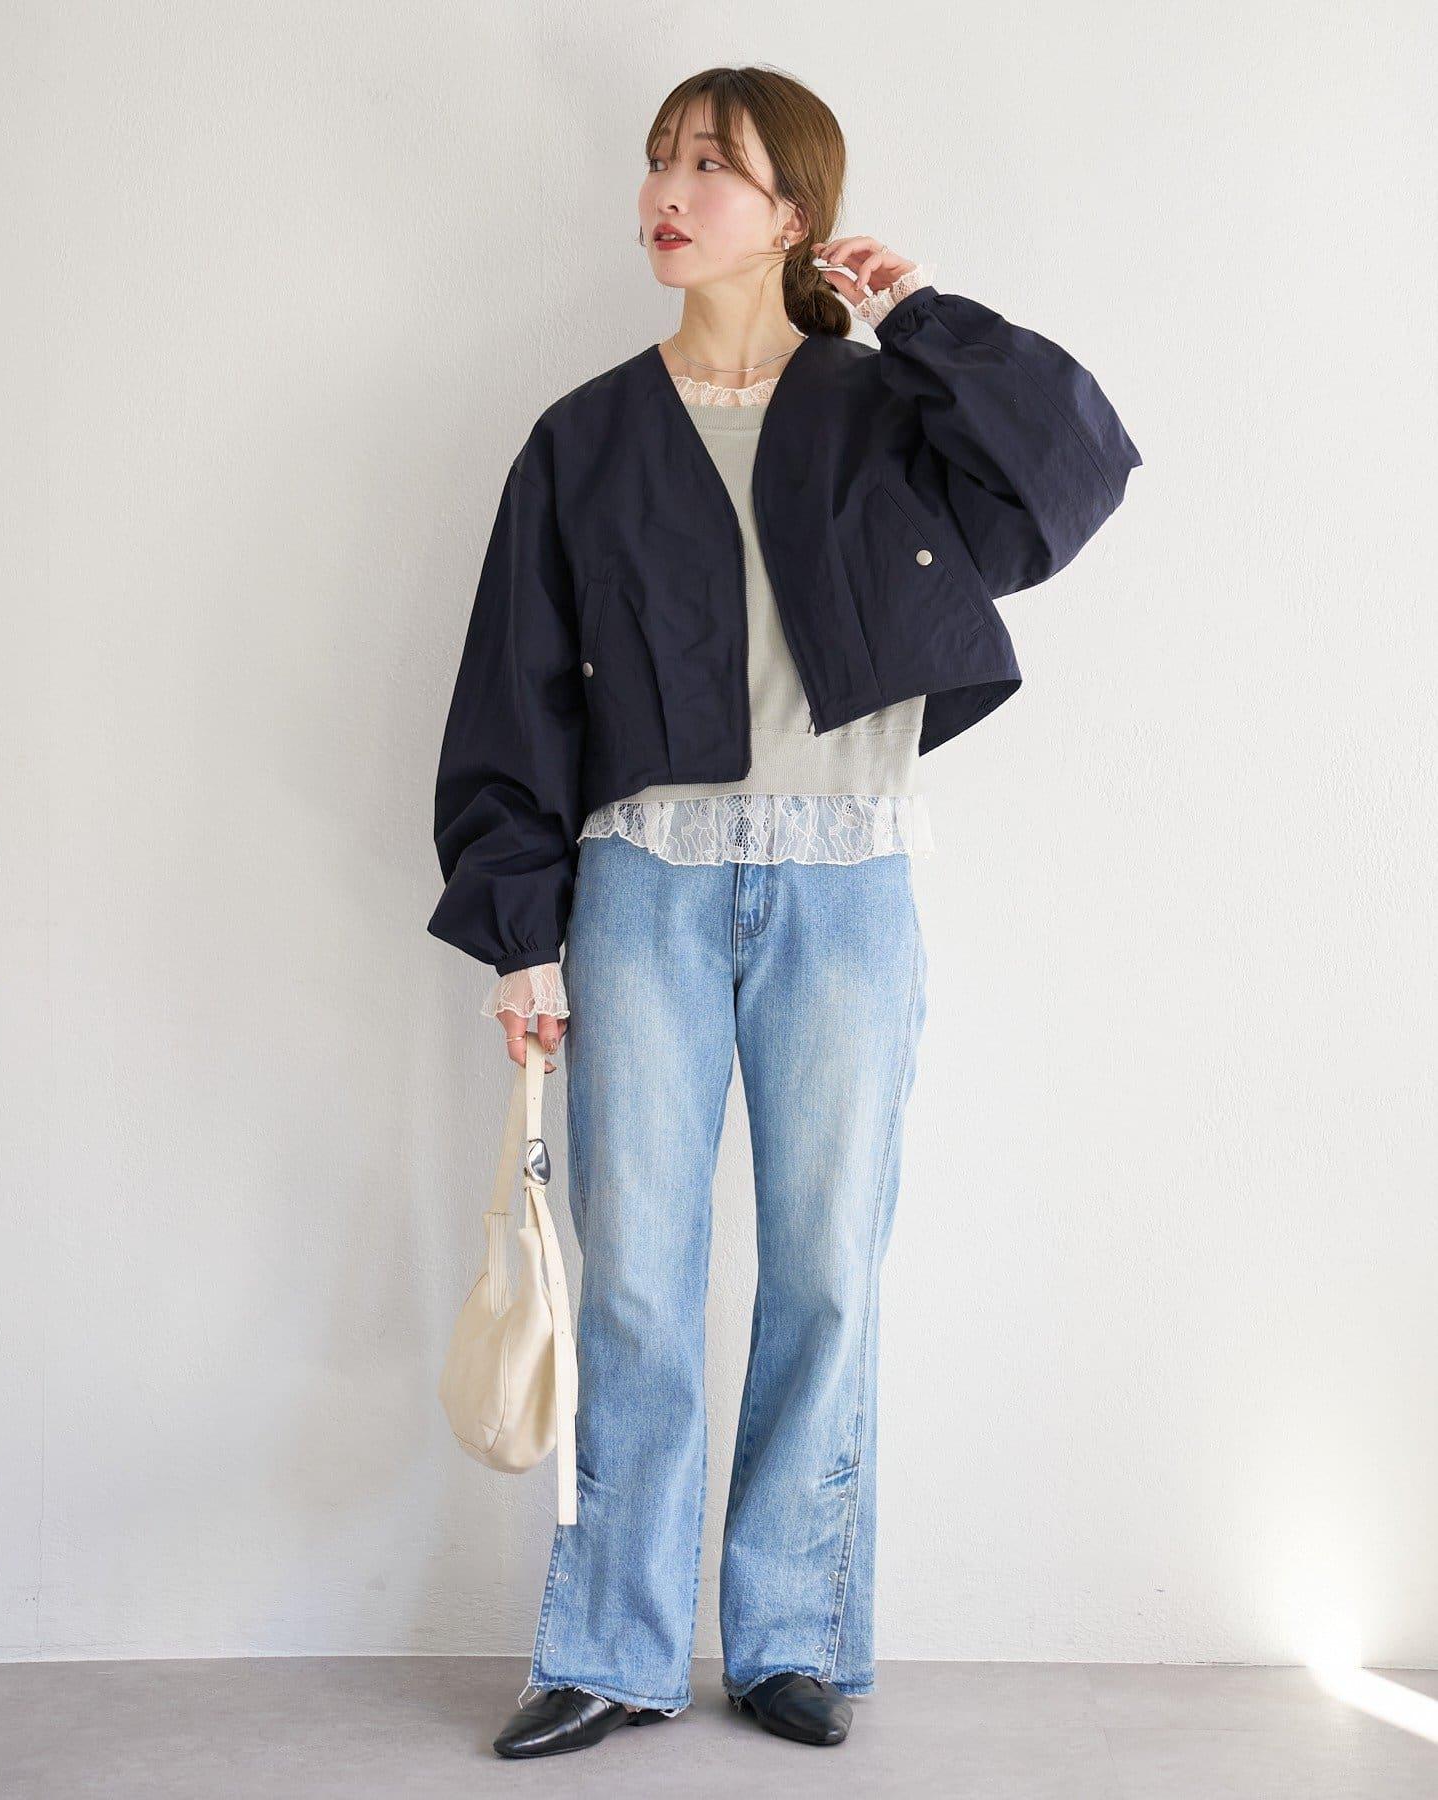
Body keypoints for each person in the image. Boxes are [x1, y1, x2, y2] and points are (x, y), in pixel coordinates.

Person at [426, 65, 1141, 1758]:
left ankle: (794, 1639)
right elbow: (512, 696)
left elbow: (1076, 469)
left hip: (847, 883)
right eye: (659, 162)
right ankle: (612, 1649)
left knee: (826, 1275)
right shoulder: (584, 437)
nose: (668, 193)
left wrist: (923, 315)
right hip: (643, 892)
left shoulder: (886, 414)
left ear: (793, 213)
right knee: (635, 1287)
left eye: (712, 167)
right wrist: (521, 930)